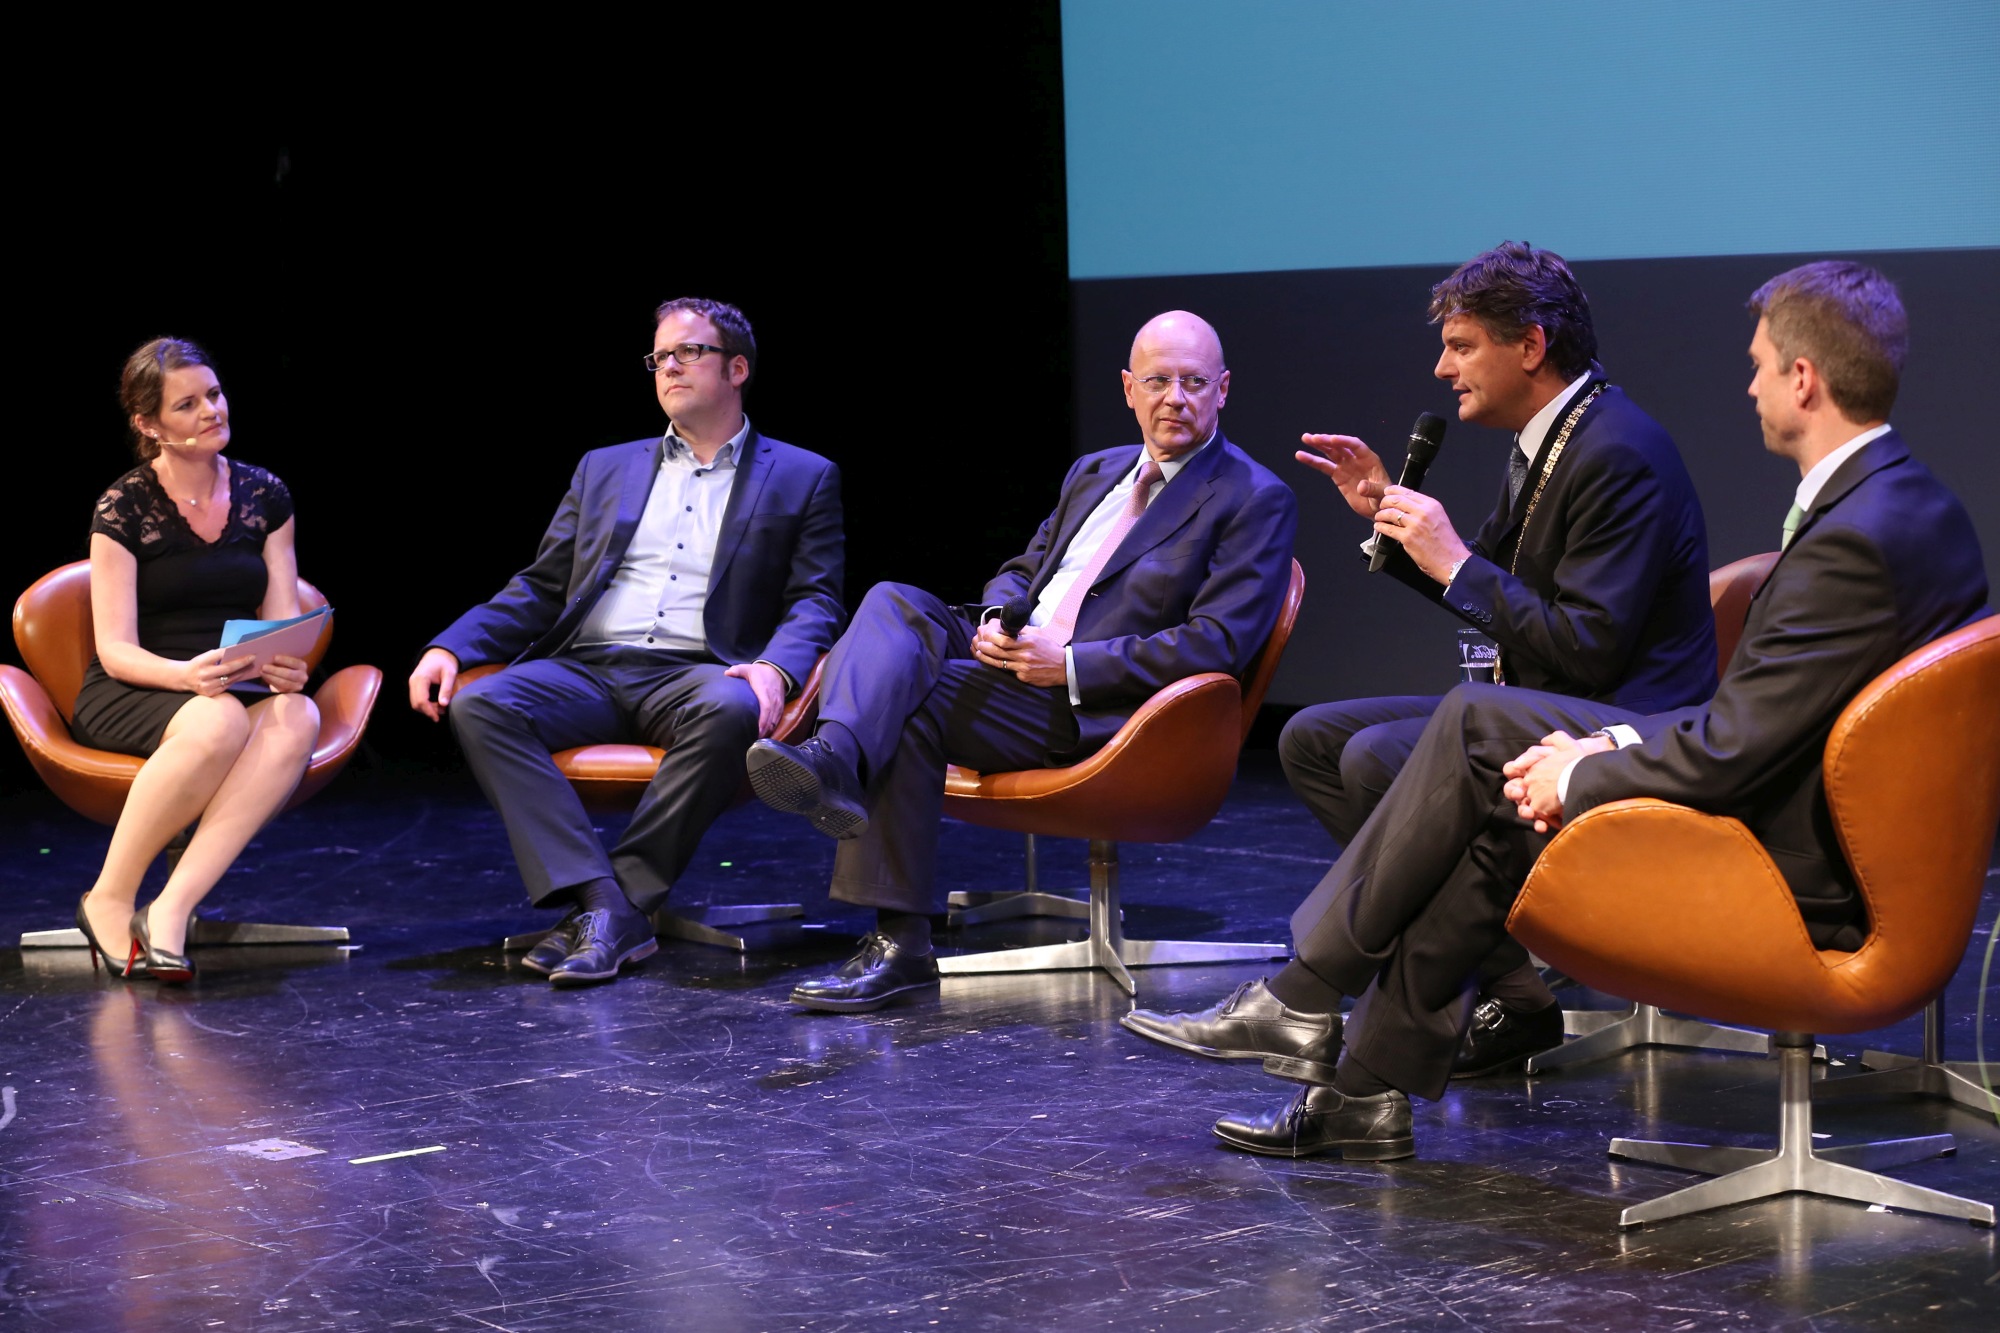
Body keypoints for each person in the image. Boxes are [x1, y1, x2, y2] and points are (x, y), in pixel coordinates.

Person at [1205, 261, 1989, 1160]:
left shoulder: (1846, 538)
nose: (1749, 385)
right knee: (1464, 762)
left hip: (1794, 870)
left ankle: (1309, 997)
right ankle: (1360, 1085)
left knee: (1479, 749)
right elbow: (1752, 718)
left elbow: (1725, 737)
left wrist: (1588, 762)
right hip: (1803, 810)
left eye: (1761, 365)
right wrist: (1594, 752)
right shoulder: (1914, 503)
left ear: (1804, 380)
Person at [1124, 242, 1716, 1076]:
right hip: (1548, 696)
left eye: (1463, 346)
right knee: (1318, 741)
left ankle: (1311, 992)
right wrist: (1396, 530)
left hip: (1620, 723)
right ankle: (1514, 989)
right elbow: (1506, 596)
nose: (1442, 368)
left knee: (1382, 754)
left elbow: (1589, 648)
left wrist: (1454, 560)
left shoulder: (1617, 449)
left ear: (1532, 345)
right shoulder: (1548, 435)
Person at [746, 310, 1299, 1013]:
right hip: (1012, 665)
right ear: (1130, 388)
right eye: (1158, 380)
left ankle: (899, 941)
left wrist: (1066, 662)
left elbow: (1219, 642)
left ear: (1223, 389)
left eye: (1194, 382)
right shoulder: (1094, 471)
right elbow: (1022, 570)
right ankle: (833, 755)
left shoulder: (1254, 497)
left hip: (1092, 706)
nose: (1176, 398)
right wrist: (1000, 622)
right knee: (892, 602)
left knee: (913, 700)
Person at [408, 297, 844, 988]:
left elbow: (816, 598)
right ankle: (609, 905)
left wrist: (774, 668)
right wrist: (452, 647)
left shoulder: (801, 474)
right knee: (484, 704)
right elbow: (543, 584)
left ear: (737, 368)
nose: (668, 365)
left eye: (688, 352)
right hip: (590, 667)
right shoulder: (604, 467)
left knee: (729, 709)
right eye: (659, 356)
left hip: (697, 670)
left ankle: (613, 905)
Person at [71, 338, 321, 984]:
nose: (212, 410)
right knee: (216, 721)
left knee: (297, 715)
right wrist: (185, 676)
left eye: (213, 393)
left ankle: (171, 908)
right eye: (188, 404)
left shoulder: (266, 495)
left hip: (224, 684)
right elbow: (114, 648)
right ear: (149, 425)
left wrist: (286, 665)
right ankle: (109, 894)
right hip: (140, 683)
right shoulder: (122, 506)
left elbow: (281, 621)